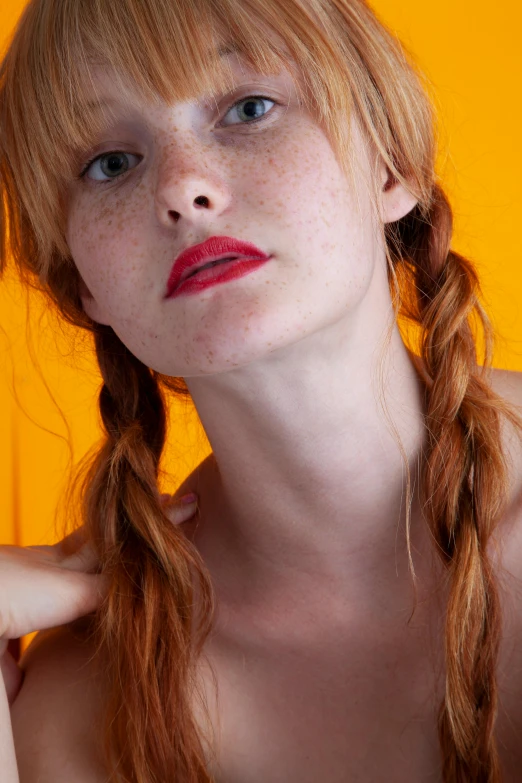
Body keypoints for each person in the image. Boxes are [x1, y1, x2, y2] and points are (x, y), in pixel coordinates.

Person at [1, 0, 521, 780]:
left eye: (249, 108)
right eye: (110, 163)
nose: (183, 188)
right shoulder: (88, 694)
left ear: (391, 164)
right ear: (85, 289)